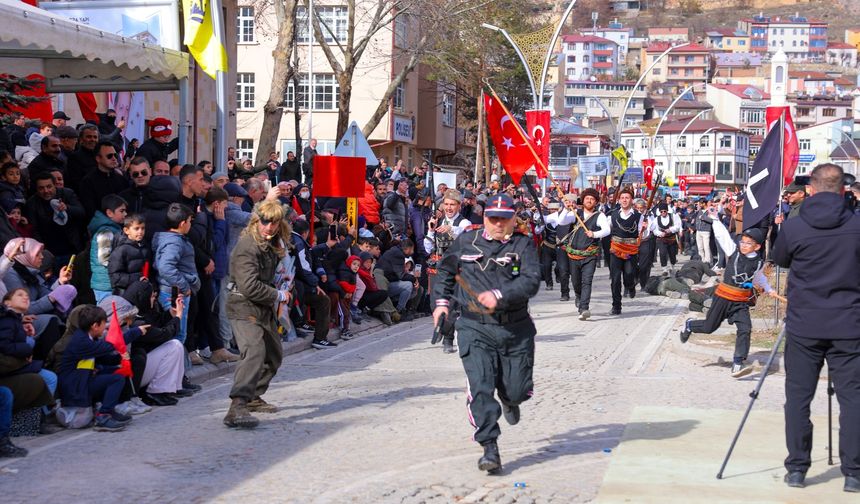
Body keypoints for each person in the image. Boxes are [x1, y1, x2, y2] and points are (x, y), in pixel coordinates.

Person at [431, 193, 540, 474]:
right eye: (493, 218)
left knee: (516, 390)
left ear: (514, 219)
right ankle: (489, 446)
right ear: (484, 217)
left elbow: (531, 281)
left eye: (505, 219)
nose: (498, 224)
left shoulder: (523, 244)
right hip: (473, 326)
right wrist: (441, 305)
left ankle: (510, 399)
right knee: (480, 385)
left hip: (514, 328)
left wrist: (500, 295)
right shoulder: (466, 241)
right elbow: (445, 272)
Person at [772, 163, 860, 492]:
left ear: (811, 188)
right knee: (853, 399)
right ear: (842, 189)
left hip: (805, 323)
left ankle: (797, 468)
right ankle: (853, 472)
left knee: (797, 397)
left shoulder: (795, 227)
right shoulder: (856, 224)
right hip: (848, 323)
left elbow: (780, 260)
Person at [679, 211, 776, 377]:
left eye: (748, 243)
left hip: (741, 301)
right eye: (743, 242)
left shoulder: (759, 262)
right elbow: (723, 235)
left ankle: (738, 363)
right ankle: (689, 325)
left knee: (745, 328)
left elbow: (759, 277)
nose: (743, 245)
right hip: (723, 297)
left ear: (757, 246)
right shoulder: (734, 252)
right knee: (709, 327)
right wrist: (715, 221)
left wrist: (769, 289)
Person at [223, 200, 293, 428]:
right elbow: (249, 286)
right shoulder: (247, 246)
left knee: (273, 355)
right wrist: (278, 295)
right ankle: (238, 406)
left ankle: (253, 396)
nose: (269, 227)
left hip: (262, 307)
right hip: (243, 305)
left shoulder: (271, 244)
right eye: (265, 222)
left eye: (274, 223)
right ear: (257, 220)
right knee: (254, 351)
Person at [57, 305, 132, 432]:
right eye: (104, 323)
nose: (105, 326)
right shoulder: (81, 341)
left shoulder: (88, 337)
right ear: (95, 326)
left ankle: (109, 410)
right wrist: (136, 332)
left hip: (83, 380)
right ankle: (103, 416)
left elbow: (104, 358)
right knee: (116, 379)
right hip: (75, 387)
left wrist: (120, 359)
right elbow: (111, 345)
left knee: (117, 371)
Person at [548, 188, 609, 320]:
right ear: (583, 200)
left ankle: (584, 307)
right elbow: (561, 222)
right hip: (574, 255)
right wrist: (566, 208)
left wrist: (595, 234)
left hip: (590, 255)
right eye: (587, 198)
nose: (589, 200)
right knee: (576, 281)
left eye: (592, 199)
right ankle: (578, 296)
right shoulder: (576, 213)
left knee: (587, 281)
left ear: (596, 202)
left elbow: (607, 230)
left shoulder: (599, 216)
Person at [152, 203, 199, 346]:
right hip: (175, 294)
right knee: (178, 335)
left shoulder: (172, 239)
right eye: (190, 221)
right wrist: (184, 286)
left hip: (174, 291)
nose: (190, 224)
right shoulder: (174, 242)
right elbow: (165, 267)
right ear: (183, 223)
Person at [607, 187, 647, 315]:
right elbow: (607, 230)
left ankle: (630, 286)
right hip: (615, 249)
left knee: (629, 274)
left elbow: (643, 235)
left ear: (632, 200)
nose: (624, 200)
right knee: (615, 278)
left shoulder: (638, 216)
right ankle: (616, 305)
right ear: (619, 200)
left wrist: (644, 230)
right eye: (622, 198)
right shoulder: (612, 215)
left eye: (627, 198)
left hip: (630, 250)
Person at [88, 195, 128, 302]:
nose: (125, 214)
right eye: (122, 211)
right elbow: (105, 259)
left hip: (108, 282)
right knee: (108, 314)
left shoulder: (112, 229)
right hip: (105, 284)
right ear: (109, 213)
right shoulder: (106, 232)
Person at [650, 202, 682, 275]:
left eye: (665, 211)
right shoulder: (656, 219)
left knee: (672, 254)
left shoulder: (673, 216)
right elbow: (654, 229)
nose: (663, 212)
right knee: (662, 253)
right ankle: (664, 269)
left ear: (667, 211)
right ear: (659, 212)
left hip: (672, 238)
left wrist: (670, 230)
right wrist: (660, 233)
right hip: (662, 239)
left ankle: (673, 267)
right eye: (661, 211)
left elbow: (678, 225)